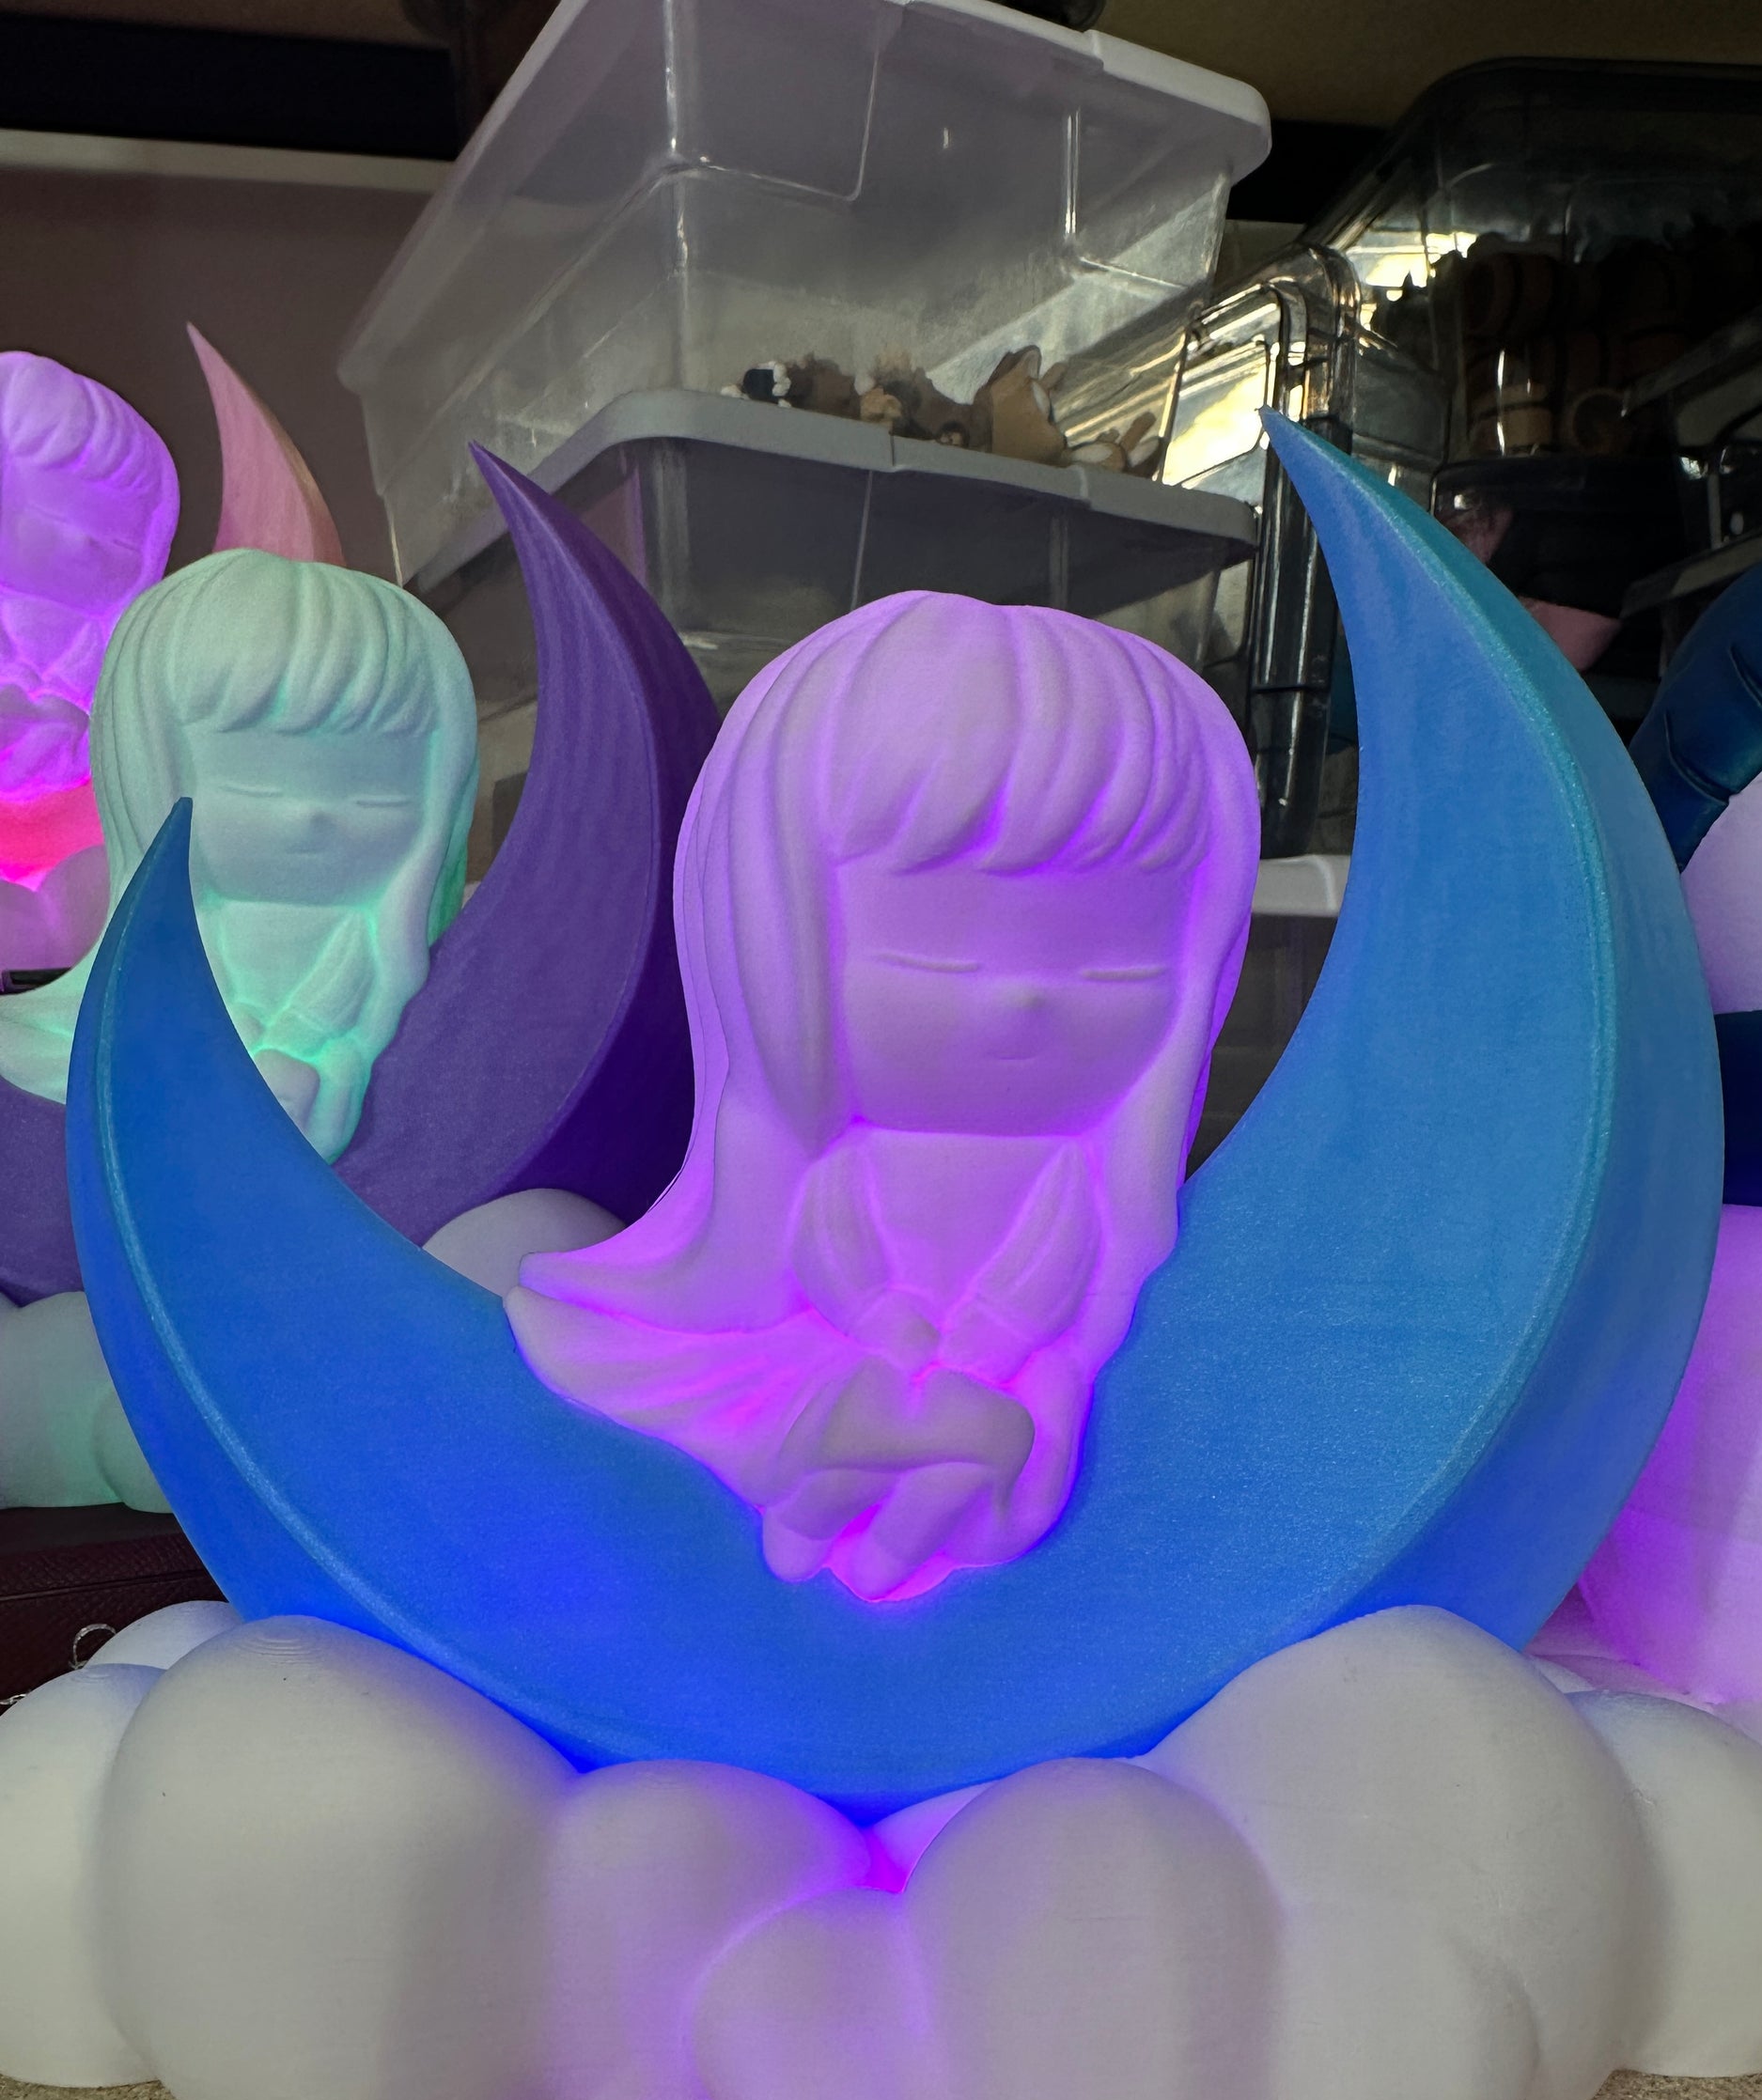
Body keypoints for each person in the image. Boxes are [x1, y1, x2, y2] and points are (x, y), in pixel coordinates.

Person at [509, 590, 1258, 1601]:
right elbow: (821, 1253)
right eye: (936, 947)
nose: (1026, 995)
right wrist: (877, 1355)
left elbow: (1065, 1281)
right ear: (773, 928)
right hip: (844, 1385)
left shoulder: (1108, 1214)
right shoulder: (778, 1207)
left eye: (1115, 960)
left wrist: (1018, 1374)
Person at [0, 548, 477, 1159]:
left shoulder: (413, 988)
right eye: (256, 781)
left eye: (375, 790)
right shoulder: (130, 994)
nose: (313, 814)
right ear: (149, 766)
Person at [0, 350, 178, 888]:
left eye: (111, 540)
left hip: (81, 863)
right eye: (57, 521)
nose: (82, 543)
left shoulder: (110, 657)